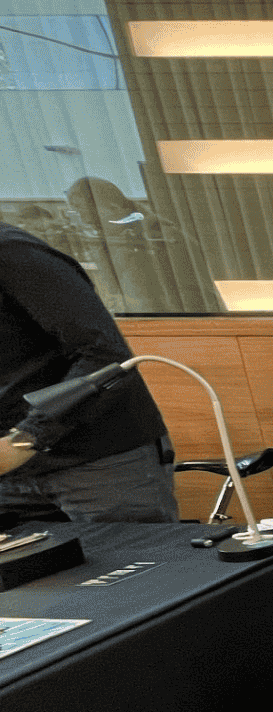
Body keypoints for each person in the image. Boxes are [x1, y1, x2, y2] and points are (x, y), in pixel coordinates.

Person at [1, 221, 178, 524]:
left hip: (97, 461)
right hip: (10, 477)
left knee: (130, 556)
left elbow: (104, 354)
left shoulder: (11, 252)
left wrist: (27, 437)